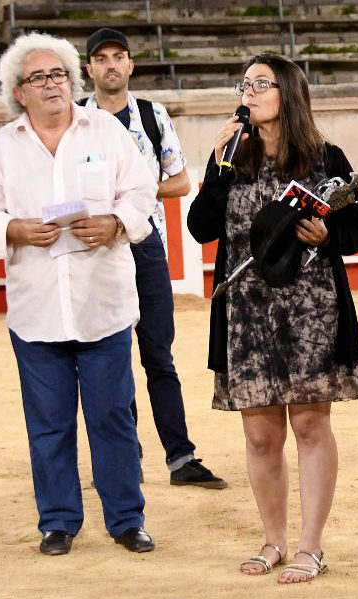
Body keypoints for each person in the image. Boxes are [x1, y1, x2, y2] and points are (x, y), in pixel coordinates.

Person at [0, 32, 158, 556]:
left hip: (104, 305)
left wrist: (116, 221)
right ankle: (57, 521)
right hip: (36, 310)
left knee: (113, 418)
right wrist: (14, 229)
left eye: (58, 75)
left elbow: (142, 190)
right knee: (47, 424)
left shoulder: (108, 132)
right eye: (38, 78)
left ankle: (126, 519)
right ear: (18, 92)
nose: (52, 85)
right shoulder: (4, 145)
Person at [188, 54, 358, 584]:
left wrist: (327, 236)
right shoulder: (230, 158)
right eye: (244, 84)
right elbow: (202, 228)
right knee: (261, 435)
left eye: (260, 83)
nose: (249, 91)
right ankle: (273, 540)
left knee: (311, 425)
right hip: (246, 313)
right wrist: (220, 166)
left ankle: (310, 547)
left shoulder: (324, 156)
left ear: (287, 93)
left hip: (311, 309)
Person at [81, 27, 226, 490]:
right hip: (95, 252)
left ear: (130, 65)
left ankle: (180, 457)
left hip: (144, 245)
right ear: (89, 69)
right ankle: (125, 459)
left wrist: (128, 199)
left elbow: (182, 183)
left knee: (158, 355)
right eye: (100, 58)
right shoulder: (75, 119)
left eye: (117, 57)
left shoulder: (151, 114)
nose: (109, 65)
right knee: (110, 359)